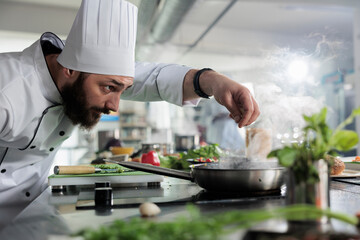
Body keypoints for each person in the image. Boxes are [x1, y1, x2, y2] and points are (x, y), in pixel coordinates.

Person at [0, 0, 259, 211]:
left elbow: (153, 79)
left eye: (121, 89)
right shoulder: (7, 90)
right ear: (69, 70)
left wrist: (214, 81)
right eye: (109, 88)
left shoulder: (84, 72)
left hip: (30, 208)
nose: (114, 105)